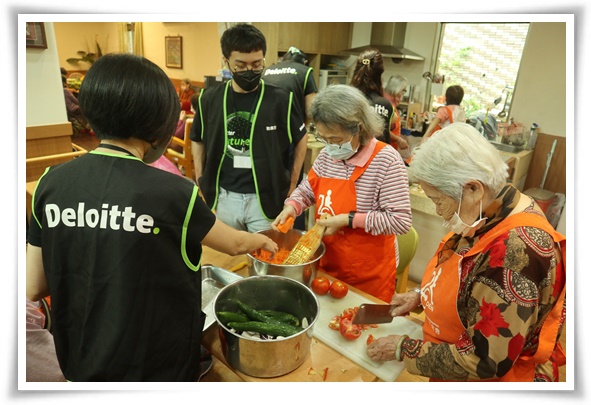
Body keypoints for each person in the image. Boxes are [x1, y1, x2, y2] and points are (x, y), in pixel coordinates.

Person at [26, 53, 278, 382]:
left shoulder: (50, 182)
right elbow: (235, 244)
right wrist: (262, 239)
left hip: (80, 360)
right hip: (157, 364)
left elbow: (34, 284)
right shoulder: (176, 193)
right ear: (158, 125)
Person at [366, 123, 566, 382]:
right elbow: (467, 278)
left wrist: (403, 348)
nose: (438, 211)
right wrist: (421, 294)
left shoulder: (514, 254)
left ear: (473, 188)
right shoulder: (493, 208)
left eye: (438, 200)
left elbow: (486, 360)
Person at [272, 85, 412, 302]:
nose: (330, 146)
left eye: (336, 139)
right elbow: (307, 190)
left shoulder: (386, 160)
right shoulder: (327, 157)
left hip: (369, 274)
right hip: (328, 263)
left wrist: (348, 220)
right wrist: (292, 206)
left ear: (359, 128)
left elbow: (400, 221)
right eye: (324, 139)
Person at [190, 23, 308, 233]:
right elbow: (197, 138)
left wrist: (293, 184)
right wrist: (200, 178)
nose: (249, 70)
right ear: (226, 62)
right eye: (241, 65)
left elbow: (301, 138)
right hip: (224, 197)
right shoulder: (208, 99)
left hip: (266, 198)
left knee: (267, 258)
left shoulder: (282, 99)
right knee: (228, 260)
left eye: (256, 64)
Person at [263, 45, 318, 230]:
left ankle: (268, 224)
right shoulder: (306, 71)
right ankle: (290, 230)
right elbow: (312, 109)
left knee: (270, 179)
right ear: (304, 61)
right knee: (292, 186)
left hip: (264, 135)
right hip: (292, 135)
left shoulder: (268, 70)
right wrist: (304, 124)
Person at [350, 49, 394, 145]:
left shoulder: (347, 99)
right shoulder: (384, 104)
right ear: (380, 74)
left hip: (349, 157)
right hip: (377, 157)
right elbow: (384, 140)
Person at [383, 74, 410, 152]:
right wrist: (399, 140)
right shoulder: (388, 105)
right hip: (386, 149)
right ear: (397, 89)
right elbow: (384, 130)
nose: (403, 94)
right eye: (403, 90)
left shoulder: (390, 103)